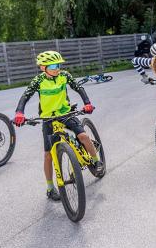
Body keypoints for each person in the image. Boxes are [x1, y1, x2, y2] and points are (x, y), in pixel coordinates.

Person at [13, 51, 101, 201]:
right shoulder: (38, 80)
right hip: (48, 118)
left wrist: (87, 103)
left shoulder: (64, 75)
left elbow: (78, 87)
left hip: (65, 113)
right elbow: (25, 96)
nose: (57, 68)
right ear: (42, 67)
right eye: (53, 65)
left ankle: (95, 160)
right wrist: (19, 113)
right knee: (48, 155)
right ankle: (50, 187)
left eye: (58, 65)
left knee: (83, 136)